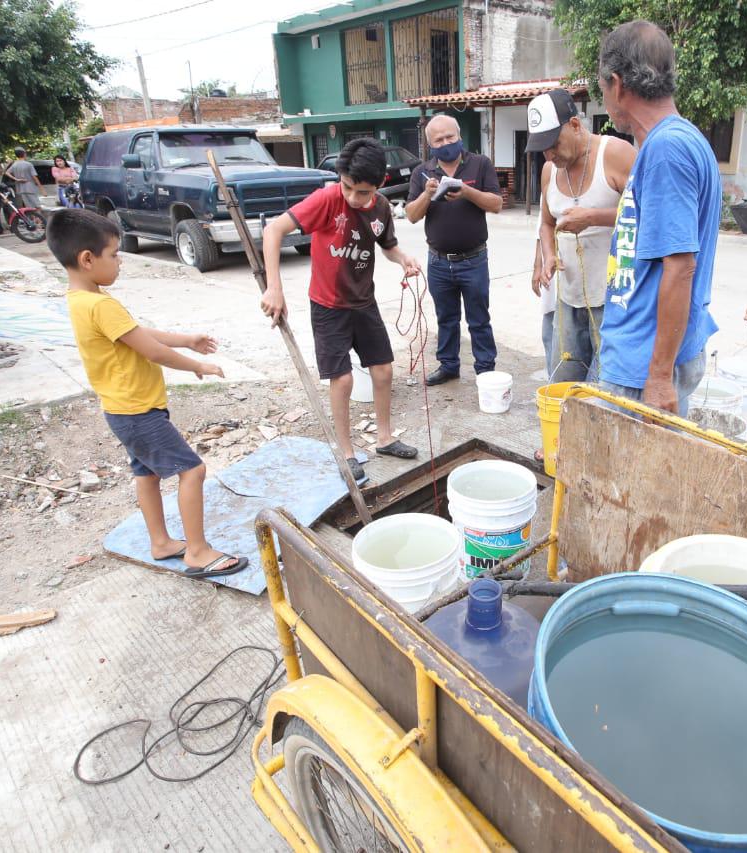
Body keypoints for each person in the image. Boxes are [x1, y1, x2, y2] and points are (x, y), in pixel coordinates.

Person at [49, 209, 247, 579]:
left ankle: (161, 541)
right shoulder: (100, 304)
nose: (120, 261)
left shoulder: (82, 300)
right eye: (114, 254)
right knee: (193, 470)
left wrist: (187, 339)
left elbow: (138, 333)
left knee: (147, 474)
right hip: (138, 412)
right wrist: (197, 365)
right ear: (87, 259)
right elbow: (151, 350)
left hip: (123, 409)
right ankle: (198, 551)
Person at [260, 138, 421, 481]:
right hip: (328, 306)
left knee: (383, 371)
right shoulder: (327, 200)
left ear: (379, 185)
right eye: (347, 187)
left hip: (364, 302)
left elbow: (388, 246)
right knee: (343, 379)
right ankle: (346, 452)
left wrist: (403, 258)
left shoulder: (379, 209)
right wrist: (275, 287)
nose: (352, 198)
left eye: (362, 192)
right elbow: (273, 230)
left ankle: (385, 437)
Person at [596, 21, 721, 416]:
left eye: (603, 91)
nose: (605, 102)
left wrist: (659, 375)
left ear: (616, 84)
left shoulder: (668, 149)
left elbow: (681, 266)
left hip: (641, 368)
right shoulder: (675, 141)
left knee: (621, 477)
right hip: (640, 355)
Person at [528, 88, 636, 383]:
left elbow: (649, 215)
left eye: (554, 144)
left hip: (614, 300)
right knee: (563, 382)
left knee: (608, 387)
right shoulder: (550, 170)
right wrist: (549, 256)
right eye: (543, 149)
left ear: (575, 125)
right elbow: (547, 223)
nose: (549, 155)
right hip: (569, 296)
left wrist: (592, 217)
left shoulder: (615, 154)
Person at [406, 114, 504, 386]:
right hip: (438, 262)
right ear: (430, 145)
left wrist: (466, 192)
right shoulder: (422, 172)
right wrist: (427, 194)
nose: (446, 142)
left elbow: (496, 203)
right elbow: (411, 215)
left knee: (479, 319)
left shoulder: (480, 164)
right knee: (446, 319)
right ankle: (448, 365)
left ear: (460, 136)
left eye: (450, 137)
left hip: (473, 259)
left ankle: (486, 370)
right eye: (439, 139)